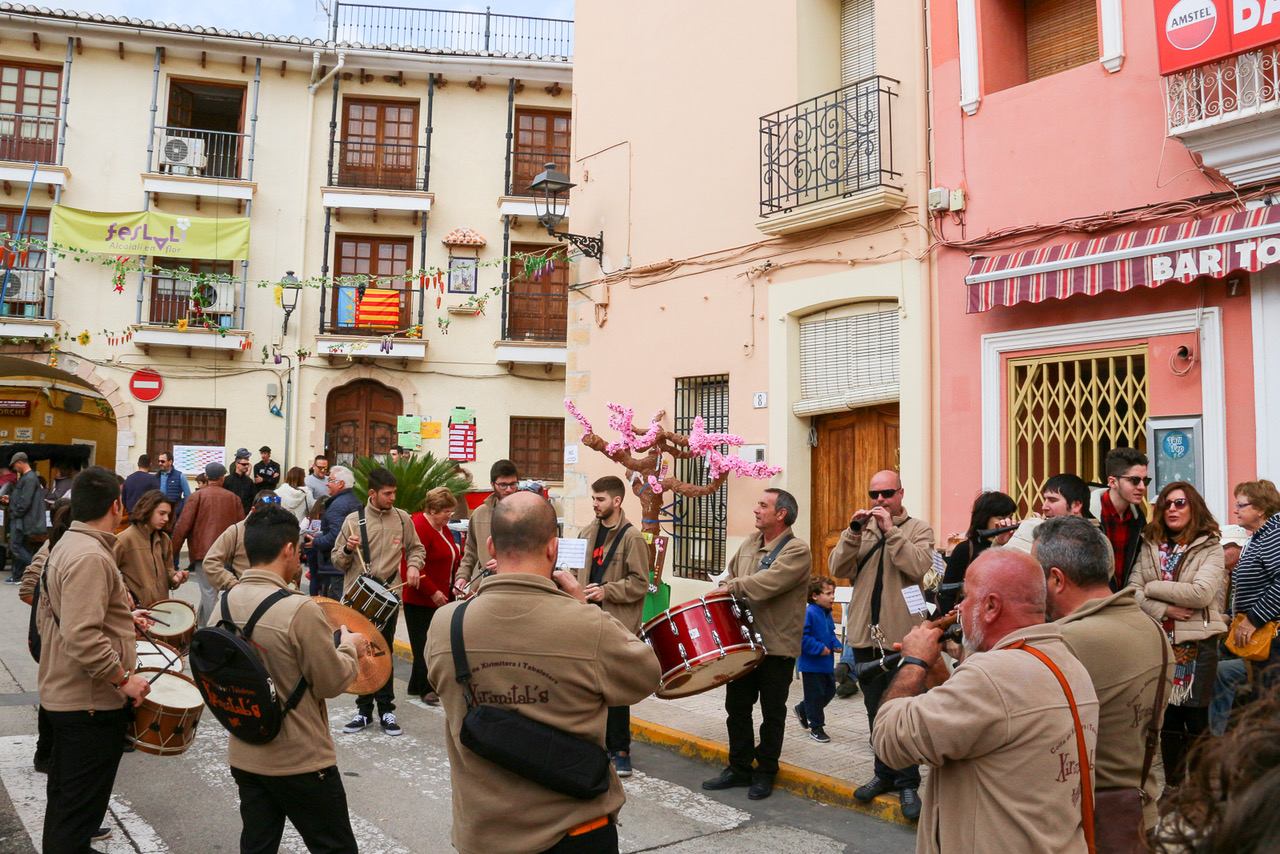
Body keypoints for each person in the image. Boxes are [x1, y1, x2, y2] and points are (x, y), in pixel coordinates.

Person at [427, 492, 661, 854]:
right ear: (553, 548)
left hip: (484, 835)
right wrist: (586, 608)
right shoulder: (587, 626)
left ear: (491, 546)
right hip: (576, 832)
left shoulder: (446, 625)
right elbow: (646, 676)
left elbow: (438, 684)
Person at [872, 549, 1100, 852]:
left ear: (991, 606)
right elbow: (991, 727)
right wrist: (942, 677)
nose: (960, 607)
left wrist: (914, 662)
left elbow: (890, 740)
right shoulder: (1069, 663)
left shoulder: (991, 675)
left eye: (966, 597)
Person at [220, 502, 366, 854]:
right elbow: (331, 683)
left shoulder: (226, 600)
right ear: (288, 549)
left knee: (257, 845)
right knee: (335, 847)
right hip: (299, 758)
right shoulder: (298, 608)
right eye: (299, 550)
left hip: (246, 751)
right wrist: (349, 649)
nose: (300, 557)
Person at [36, 466, 152, 854]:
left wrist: (123, 617)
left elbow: (72, 615)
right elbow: (82, 635)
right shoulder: (90, 556)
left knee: (68, 807)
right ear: (117, 505)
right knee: (76, 814)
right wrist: (123, 680)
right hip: (87, 702)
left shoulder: (69, 544)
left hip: (69, 695)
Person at [1038, 515, 1174, 831]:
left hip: (1082, 823)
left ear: (1057, 580)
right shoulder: (1150, 627)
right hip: (1137, 812)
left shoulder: (1062, 641)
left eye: (1037, 576)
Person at [827, 469, 935, 816]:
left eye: (887, 493)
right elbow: (837, 566)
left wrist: (891, 531)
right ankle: (883, 775)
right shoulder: (862, 529)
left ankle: (907, 784)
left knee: (902, 710)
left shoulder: (919, 529)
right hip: (864, 635)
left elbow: (919, 567)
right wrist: (852, 531)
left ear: (901, 493)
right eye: (874, 494)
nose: (879, 501)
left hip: (902, 637)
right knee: (875, 709)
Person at [702, 488, 811, 801]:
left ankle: (765, 772)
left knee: (772, 713)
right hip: (743, 643)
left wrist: (731, 587)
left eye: (763, 505)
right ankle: (738, 768)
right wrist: (724, 584)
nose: (755, 510)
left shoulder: (797, 551)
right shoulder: (750, 543)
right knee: (736, 707)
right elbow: (731, 574)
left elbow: (767, 584)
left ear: (781, 515)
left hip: (776, 647)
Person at [1128, 481, 1226, 797]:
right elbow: (1132, 592)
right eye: (1166, 504)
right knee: (1167, 720)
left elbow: (1201, 593)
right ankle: (1172, 786)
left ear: (1193, 506)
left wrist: (1152, 587)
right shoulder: (1149, 542)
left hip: (1199, 646)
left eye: (1180, 503)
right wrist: (1166, 605)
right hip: (1158, 641)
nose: (1172, 509)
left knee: (1197, 721)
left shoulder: (1210, 545)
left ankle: (1200, 791)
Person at [333, 467, 425, 736]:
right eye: (388, 493)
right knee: (361, 654)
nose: (393, 498)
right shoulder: (353, 520)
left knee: (383, 654)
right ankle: (363, 711)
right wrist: (348, 548)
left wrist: (414, 567)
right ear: (372, 493)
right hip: (356, 599)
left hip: (388, 597)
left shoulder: (402, 519)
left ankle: (386, 710)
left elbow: (416, 548)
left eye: (394, 492)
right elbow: (337, 561)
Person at [574, 475, 650, 777]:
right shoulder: (585, 532)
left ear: (617, 501)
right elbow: (575, 572)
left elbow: (640, 583)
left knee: (616, 689)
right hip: (586, 620)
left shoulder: (632, 537)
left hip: (616, 623)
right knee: (589, 687)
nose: (595, 504)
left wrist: (608, 590)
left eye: (600, 499)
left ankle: (620, 751)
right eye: (593, 499)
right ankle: (596, 745)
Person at [20, 499, 72, 778]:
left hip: (57, 632)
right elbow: (27, 589)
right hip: (50, 635)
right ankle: (45, 753)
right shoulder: (52, 550)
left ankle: (51, 754)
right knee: (55, 694)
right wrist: (52, 615)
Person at [172, 462, 249, 628]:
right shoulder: (234, 498)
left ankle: (213, 632)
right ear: (223, 478)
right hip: (228, 553)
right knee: (210, 593)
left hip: (202, 553)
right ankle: (202, 628)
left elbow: (182, 527)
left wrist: (171, 556)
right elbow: (242, 528)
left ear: (206, 477)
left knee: (209, 593)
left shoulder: (196, 497)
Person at [404, 486, 459, 706]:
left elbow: (451, 554)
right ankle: (426, 688)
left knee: (434, 641)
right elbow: (412, 564)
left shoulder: (441, 527)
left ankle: (415, 685)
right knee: (424, 644)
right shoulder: (418, 526)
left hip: (443, 592)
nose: (449, 516)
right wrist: (433, 591)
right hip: (421, 596)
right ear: (433, 510)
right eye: (446, 511)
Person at [1227, 480, 1280, 692]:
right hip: (1265, 637)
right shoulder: (1260, 537)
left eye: (1241, 505)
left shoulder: (1273, 535)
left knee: (1269, 708)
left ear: (1261, 509)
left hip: (1273, 637)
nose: (1235, 510)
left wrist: (1252, 619)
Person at [937, 490, 1017, 614]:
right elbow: (947, 593)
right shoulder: (965, 549)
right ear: (984, 518)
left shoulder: (1014, 547)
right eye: (1001, 518)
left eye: (1010, 518)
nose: (1006, 523)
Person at [454, 460, 520, 593]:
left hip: (516, 587)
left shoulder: (528, 513)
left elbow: (536, 553)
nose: (509, 489)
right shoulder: (479, 514)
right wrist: (462, 576)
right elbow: (471, 550)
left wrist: (506, 564)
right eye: (503, 485)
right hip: (483, 586)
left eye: (513, 484)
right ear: (492, 485)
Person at [114, 489, 188, 609]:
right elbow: (108, 573)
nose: (166, 519)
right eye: (162, 513)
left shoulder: (164, 539)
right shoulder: (124, 539)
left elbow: (168, 570)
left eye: (168, 515)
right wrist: (124, 591)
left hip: (162, 609)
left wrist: (175, 577)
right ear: (147, 510)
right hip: (137, 611)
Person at [1210, 524, 1250, 736]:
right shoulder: (1232, 574)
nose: (1221, 553)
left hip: (1256, 648)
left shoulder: (1249, 574)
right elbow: (1234, 608)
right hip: (1236, 642)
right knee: (1206, 658)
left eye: (1226, 547)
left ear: (1242, 549)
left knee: (1218, 671)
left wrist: (1225, 618)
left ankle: (1215, 735)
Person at [1093, 447, 1149, 590]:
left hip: (1124, 601)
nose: (1142, 487)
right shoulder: (1088, 516)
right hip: (1093, 603)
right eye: (1135, 480)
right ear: (1113, 482)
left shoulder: (1138, 519)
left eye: (1145, 481)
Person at [794, 576, 841, 744]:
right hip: (811, 665)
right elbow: (802, 638)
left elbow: (831, 633)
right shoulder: (810, 612)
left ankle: (803, 709)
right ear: (814, 596)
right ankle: (816, 727)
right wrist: (819, 648)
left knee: (829, 692)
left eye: (833, 593)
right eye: (828, 593)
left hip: (826, 664)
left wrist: (836, 643)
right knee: (815, 696)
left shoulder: (827, 613)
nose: (832, 597)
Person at [1003, 472, 1097, 554]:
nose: (1044, 507)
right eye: (1045, 500)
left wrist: (1036, 534)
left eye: (1052, 500)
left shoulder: (1094, 539)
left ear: (1076, 505)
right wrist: (1001, 542)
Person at [204, 492, 280, 593]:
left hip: (276, 596)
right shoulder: (236, 531)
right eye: (263, 515)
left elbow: (294, 569)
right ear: (253, 511)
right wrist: (233, 583)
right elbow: (211, 562)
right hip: (245, 595)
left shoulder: (282, 530)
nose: (268, 520)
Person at [311, 466, 361, 598]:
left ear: (341, 484)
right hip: (349, 564)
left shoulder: (338, 505)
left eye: (331, 480)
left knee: (335, 610)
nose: (327, 483)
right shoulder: (354, 500)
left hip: (336, 567)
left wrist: (315, 541)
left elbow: (337, 536)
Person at [4, 452, 46, 584]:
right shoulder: (29, 478)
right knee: (20, 546)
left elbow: (25, 501)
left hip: (22, 518)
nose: (14, 469)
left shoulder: (29, 479)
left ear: (20, 463)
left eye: (15, 466)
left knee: (16, 546)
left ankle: (37, 569)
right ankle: (17, 576)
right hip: (22, 517)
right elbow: (23, 498)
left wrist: (15, 512)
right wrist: (10, 499)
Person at [155, 452, 191, 521]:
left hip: (174, 512)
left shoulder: (180, 476)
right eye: (159, 461)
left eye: (162, 461)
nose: (160, 464)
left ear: (170, 462)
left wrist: (180, 509)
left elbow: (187, 495)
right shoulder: (156, 476)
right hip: (159, 511)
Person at [225, 449, 257, 516]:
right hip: (230, 514)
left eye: (247, 464)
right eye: (244, 464)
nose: (246, 466)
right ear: (237, 464)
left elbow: (253, 498)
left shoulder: (249, 481)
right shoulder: (227, 480)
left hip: (245, 514)